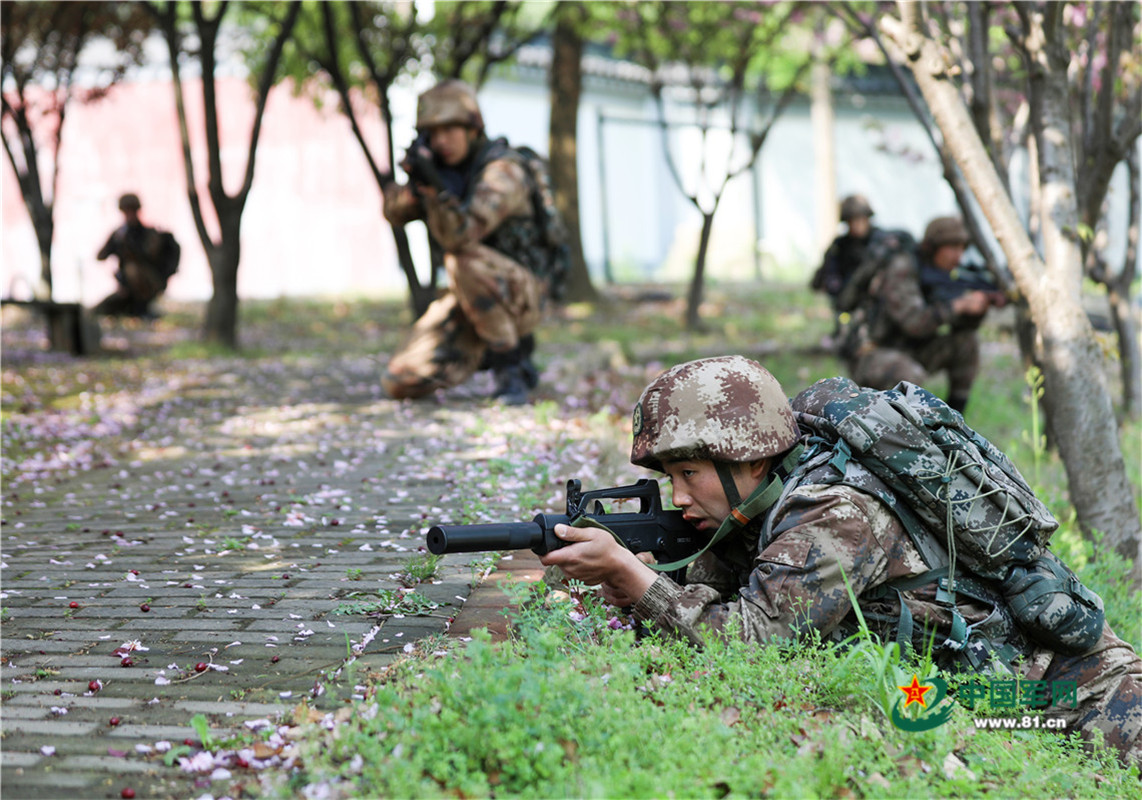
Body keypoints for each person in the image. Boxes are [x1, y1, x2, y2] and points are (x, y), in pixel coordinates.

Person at [540, 355, 1142, 769]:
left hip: (1070, 694)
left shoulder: (835, 512)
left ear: (749, 462)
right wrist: (643, 581)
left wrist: (635, 577)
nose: (677, 497)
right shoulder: (768, 499)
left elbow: (754, 640)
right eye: (670, 477)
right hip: (977, 694)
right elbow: (734, 588)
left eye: (690, 474)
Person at [380, 79, 548, 406]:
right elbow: (392, 212)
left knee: (462, 259)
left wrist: (438, 192)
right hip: (472, 294)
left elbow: (461, 236)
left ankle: (510, 369)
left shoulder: (503, 172)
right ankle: (488, 347)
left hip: (523, 293)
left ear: (473, 128)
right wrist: (418, 185)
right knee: (400, 380)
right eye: (433, 133)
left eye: (449, 130)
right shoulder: (441, 172)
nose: (441, 141)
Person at [844, 216, 1005, 414]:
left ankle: (954, 422)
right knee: (909, 375)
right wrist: (958, 305)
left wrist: (977, 308)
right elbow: (915, 322)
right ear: (933, 246)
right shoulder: (902, 267)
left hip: (910, 349)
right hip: (873, 353)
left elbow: (961, 327)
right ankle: (905, 433)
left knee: (966, 342)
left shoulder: (942, 274)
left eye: (962, 248)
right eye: (953, 247)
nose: (959, 256)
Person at [94, 193, 179, 318]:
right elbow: (101, 256)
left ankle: (142, 308)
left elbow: (166, 255)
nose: (129, 215)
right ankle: (135, 310)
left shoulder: (150, 234)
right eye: (126, 211)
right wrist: (116, 242)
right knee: (100, 310)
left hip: (150, 283)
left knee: (132, 269)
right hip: (125, 289)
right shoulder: (120, 235)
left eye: (131, 211)